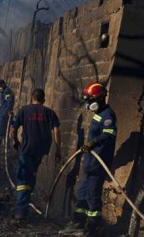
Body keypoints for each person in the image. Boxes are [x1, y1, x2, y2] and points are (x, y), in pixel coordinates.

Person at [62, 82, 117, 235]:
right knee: (82, 192)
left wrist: (93, 142)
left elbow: (108, 134)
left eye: (90, 100)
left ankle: (93, 228)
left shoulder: (108, 115)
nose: (88, 103)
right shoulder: (98, 114)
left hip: (98, 162)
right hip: (89, 162)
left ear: (99, 99)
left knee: (92, 194)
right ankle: (78, 222)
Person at [10, 88, 62, 220]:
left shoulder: (24, 110)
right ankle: (26, 198)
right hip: (41, 150)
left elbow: (13, 128)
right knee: (31, 174)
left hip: (27, 149)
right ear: (43, 100)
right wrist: (58, 149)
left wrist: (15, 141)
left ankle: (21, 212)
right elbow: (56, 130)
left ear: (31, 98)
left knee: (22, 178)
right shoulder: (50, 113)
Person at [0, 79, 14, 154]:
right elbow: (4, 104)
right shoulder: (3, 92)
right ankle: (1, 148)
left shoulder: (7, 91)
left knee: (1, 131)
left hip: (5, 115)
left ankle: (1, 149)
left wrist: (8, 111)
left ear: (3, 84)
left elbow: (10, 102)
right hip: (2, 114)